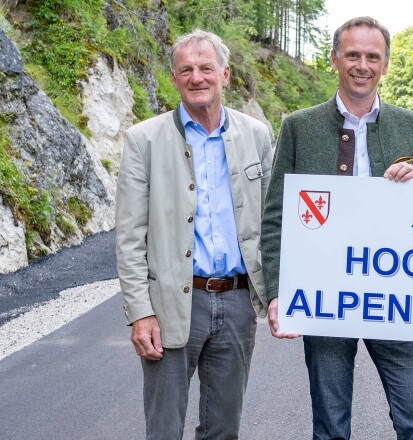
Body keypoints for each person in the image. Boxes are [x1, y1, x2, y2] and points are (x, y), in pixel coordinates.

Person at [259, 16, 413, 440]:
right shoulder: (298, 126)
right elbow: (275, 216)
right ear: (335, 59)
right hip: (323, 294)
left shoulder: (409, 124)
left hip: (396, 296)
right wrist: (276, 291)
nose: (363, 65)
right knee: (331, 425)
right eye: (353, 55)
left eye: (372, 56)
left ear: (386, 65)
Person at [115, 30, 274, 440]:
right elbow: (130, 236)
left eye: (206, 68)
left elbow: (275, 221)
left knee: (224, 429)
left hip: (238, 302)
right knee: (164, 428)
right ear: (173, 77)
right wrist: (140, 312)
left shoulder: (257, 134)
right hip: (170, 303)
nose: (196, 77)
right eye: (186, 69)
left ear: (225, 73)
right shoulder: (143, 140)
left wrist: (277, 292)